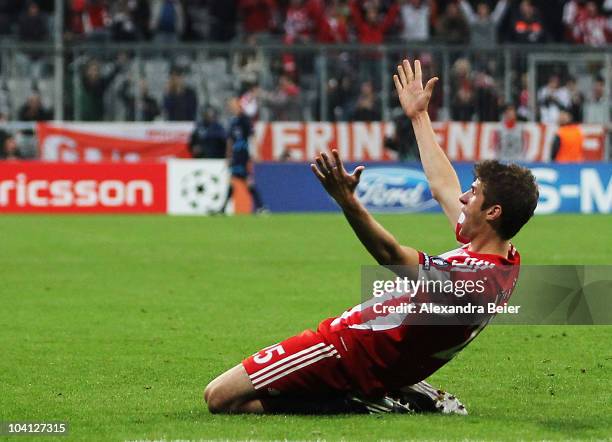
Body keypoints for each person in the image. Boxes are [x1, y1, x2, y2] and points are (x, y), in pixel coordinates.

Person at [204, 59, 539, 415]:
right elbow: (443, 186)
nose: (463, 198)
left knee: (220, 397)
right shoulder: (503, 257)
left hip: (349, 348)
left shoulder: (472, 280)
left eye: (473, 193)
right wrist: (418, 117)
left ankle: (362, 400)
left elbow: (390, 254)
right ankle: (394, 389)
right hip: (385, 356)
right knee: (245, 401)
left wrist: (348, 202)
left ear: (493, 213)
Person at [219, 97, 265, 214]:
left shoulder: (244, 120)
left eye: (233, 105)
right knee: (232, 181)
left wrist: (257, 153)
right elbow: (230, 140)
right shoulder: (233, 121)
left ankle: (261, 207)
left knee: (248, 182)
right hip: (235, 156)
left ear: (238, 105)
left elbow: (252, 136)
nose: (231, 107)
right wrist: (228, 157)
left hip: (244, 156)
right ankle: (223, 209)